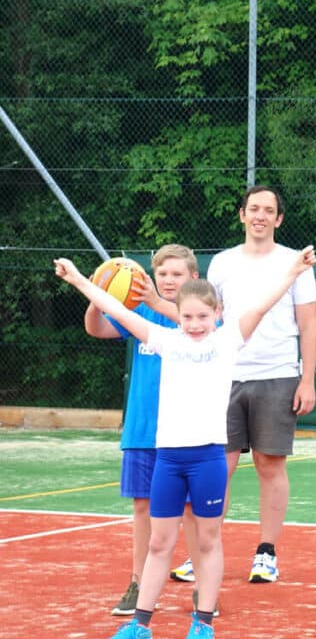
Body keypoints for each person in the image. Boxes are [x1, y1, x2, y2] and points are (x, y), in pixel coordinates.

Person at [55, 246, 316, 639]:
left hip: (208, 460)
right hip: (169, 462)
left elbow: (263, 305)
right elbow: (118, 309)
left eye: (202, 316)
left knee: (208, 543)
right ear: (180, 316)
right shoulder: (165, 339)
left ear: (217, 314)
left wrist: (293, 271)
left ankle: (203, 622)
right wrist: (77, 278)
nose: (194, 324)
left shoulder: (228, 341)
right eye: (189, 316)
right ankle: (140, 624)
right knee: (160, 543)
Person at [201, 185, 316, 584]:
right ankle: (206, 550)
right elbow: (208, 319)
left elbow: (308, 324)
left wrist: (307, 380)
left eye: (268, 210)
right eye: (254, 209)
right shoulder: (220, 263)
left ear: (278, 219)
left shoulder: (295, 263)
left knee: (270, 465)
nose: (260, 216)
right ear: (242, 215)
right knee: (220, 467)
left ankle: (266, 553)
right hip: (225, 378)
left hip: (278, 374)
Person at [83, 246, 201, 617]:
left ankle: (203, 587)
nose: (168, 280)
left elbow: (192, 328)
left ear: (192, 279)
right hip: (142, 428)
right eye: (162, 273)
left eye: (177, 274)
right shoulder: (137, 311)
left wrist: (152, 299)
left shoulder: (198, 316)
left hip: (185, 431)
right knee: (142, 507)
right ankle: (138, 581)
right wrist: (98, 294)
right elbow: (97, 328)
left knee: (190, 512)